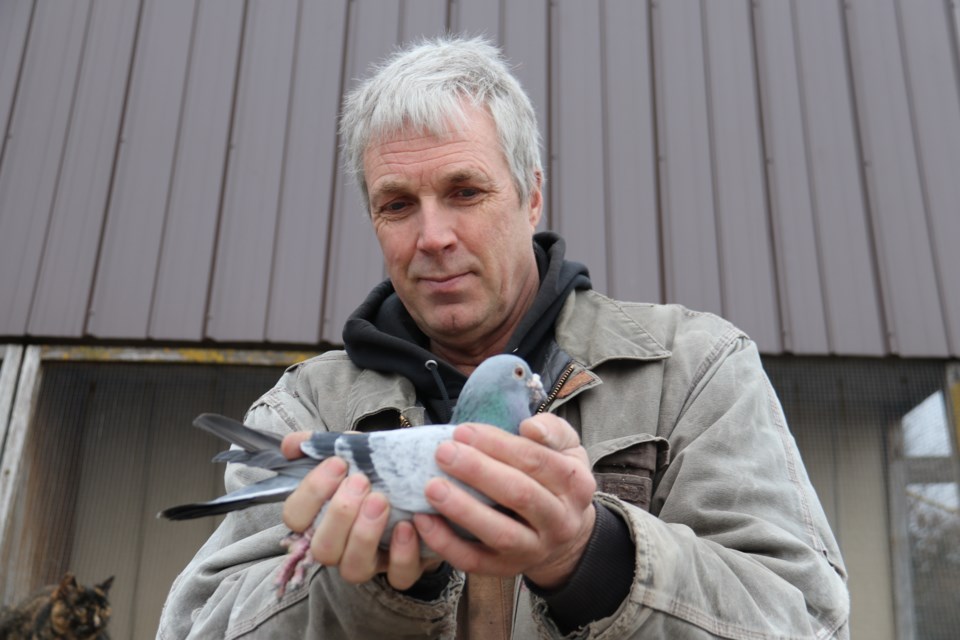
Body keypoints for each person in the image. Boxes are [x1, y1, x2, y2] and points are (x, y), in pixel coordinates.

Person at [158, 36, 849, 639]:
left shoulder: (694, 371)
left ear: (532, 196)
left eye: (465, 191)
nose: (432, 237)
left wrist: (591, 556)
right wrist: (365, 593)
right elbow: (194, 626)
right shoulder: (301, 412)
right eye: (398, 204)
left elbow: (810, 619)